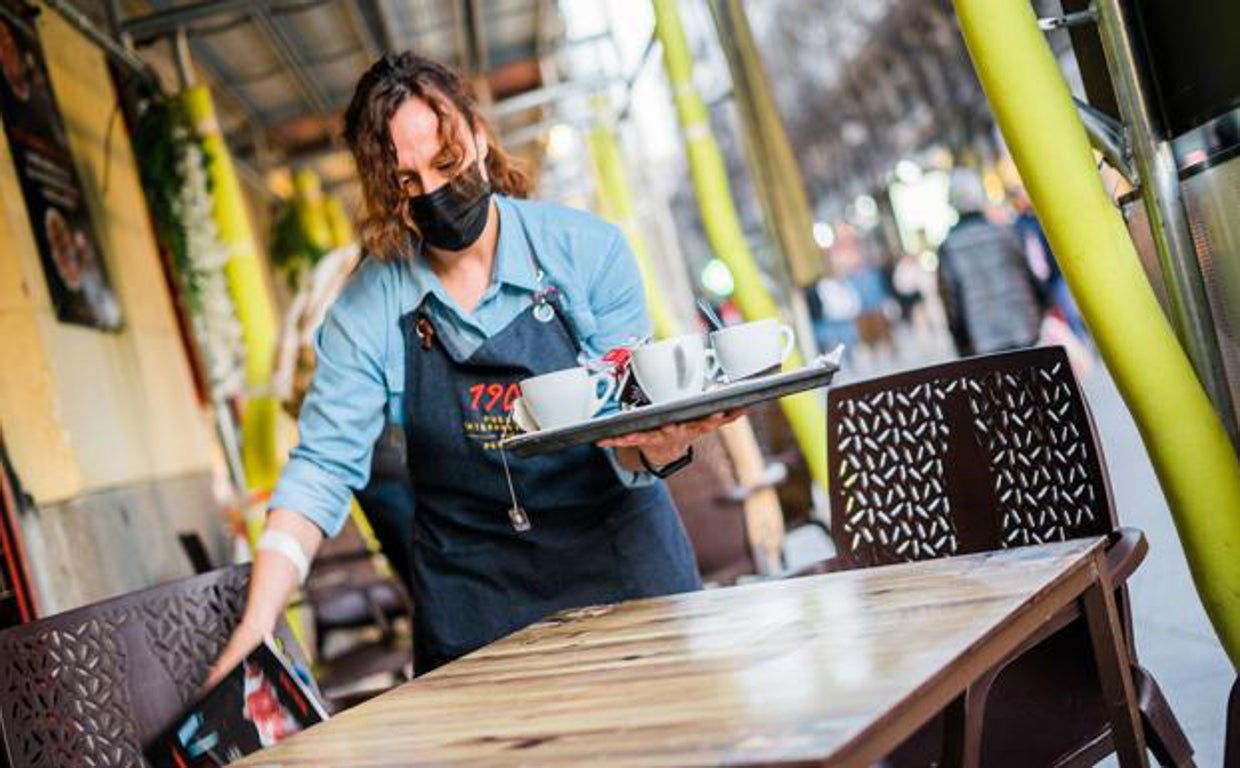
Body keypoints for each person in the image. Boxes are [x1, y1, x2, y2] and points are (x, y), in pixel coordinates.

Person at [207, 52, 739, 680]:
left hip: (625, 579)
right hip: (476, 612)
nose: (434, 192)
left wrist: (658, 446)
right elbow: (322, 468)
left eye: (446, 162)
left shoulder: (587, 251)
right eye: (406, 182)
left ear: (479, 135)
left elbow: (627, 426)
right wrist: (258, 622)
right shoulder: (366, 309)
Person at [937, 168, 1047, 356]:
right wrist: (1044, 306)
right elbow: (1029, 274)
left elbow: (951, 301)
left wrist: (961, 342)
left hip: (982, 339)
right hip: (1023, 326)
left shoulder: (949, 248)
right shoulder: (1005, 232)